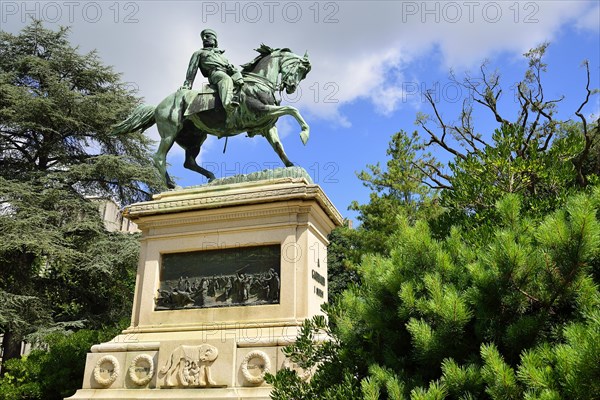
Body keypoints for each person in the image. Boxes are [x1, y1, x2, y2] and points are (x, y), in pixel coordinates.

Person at [181, 29, 243, 115]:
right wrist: (187, 84)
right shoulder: (199, 53)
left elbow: (230, 67)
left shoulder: (221, 56)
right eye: (204, 38)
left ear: (214, 41)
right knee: (226, 79)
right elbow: (192, 69)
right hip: (215, 74)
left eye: (207, 37)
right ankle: (228, 104)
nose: (205, 39)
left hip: (226, 72)